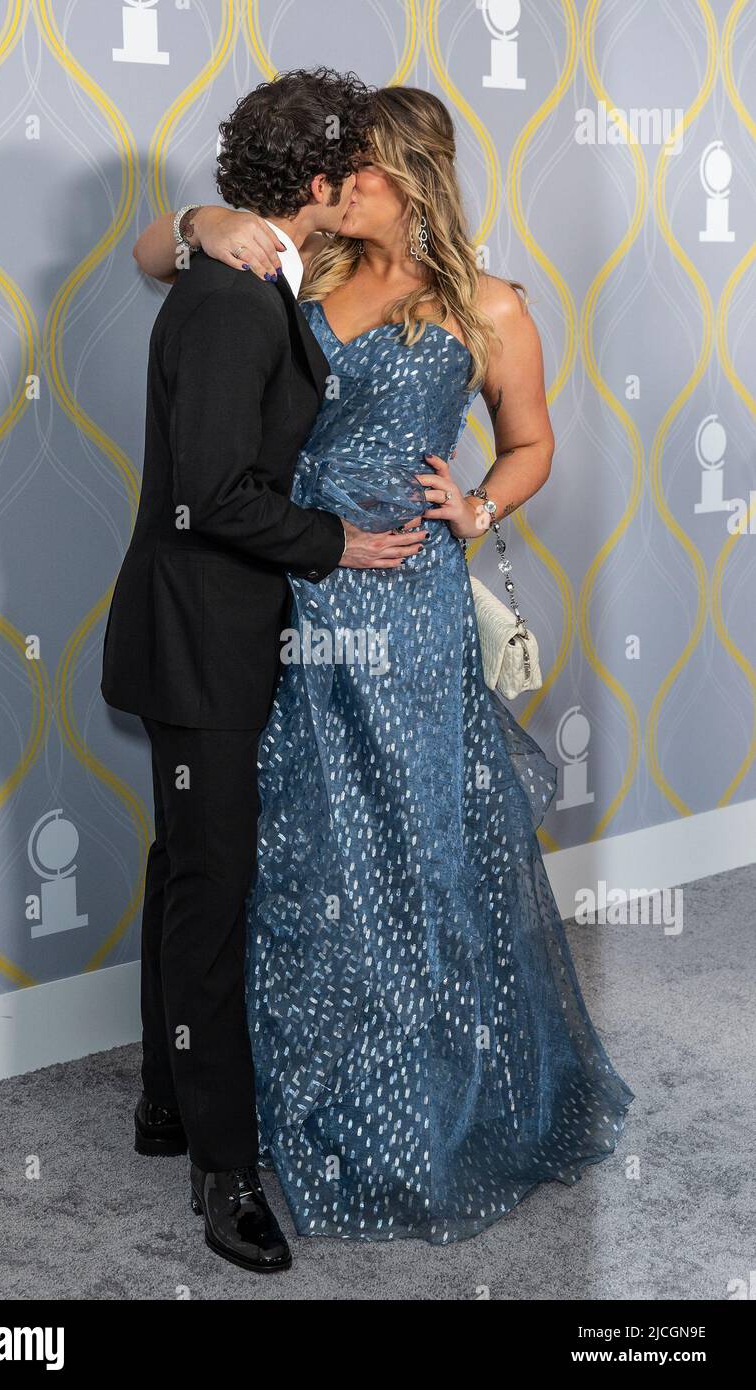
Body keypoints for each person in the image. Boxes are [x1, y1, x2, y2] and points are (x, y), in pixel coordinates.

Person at [133, 85, 634, 1246]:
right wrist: (203, 224)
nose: (329, 184)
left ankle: (419, 1095)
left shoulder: (489, 304)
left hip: (402, 607)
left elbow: (533, 437)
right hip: (280, 592)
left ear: (403, 177)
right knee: (291, 851)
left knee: (413, 847)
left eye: (352, 169)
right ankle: (273, 1098)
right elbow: (161, 253)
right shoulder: (289, 267)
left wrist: (476, 506)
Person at [101, 69, 429, 1275]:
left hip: (206, 635)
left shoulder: (238, 269)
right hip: (201, 645)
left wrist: (190, 220)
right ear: (321, 188)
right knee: (213, 895)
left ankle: (164, 1101)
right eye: (357, 170)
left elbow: (165, 253)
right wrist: (338, 540)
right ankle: (224, 1173)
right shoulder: (235, 299)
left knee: (185, 869)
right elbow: (209, 496)